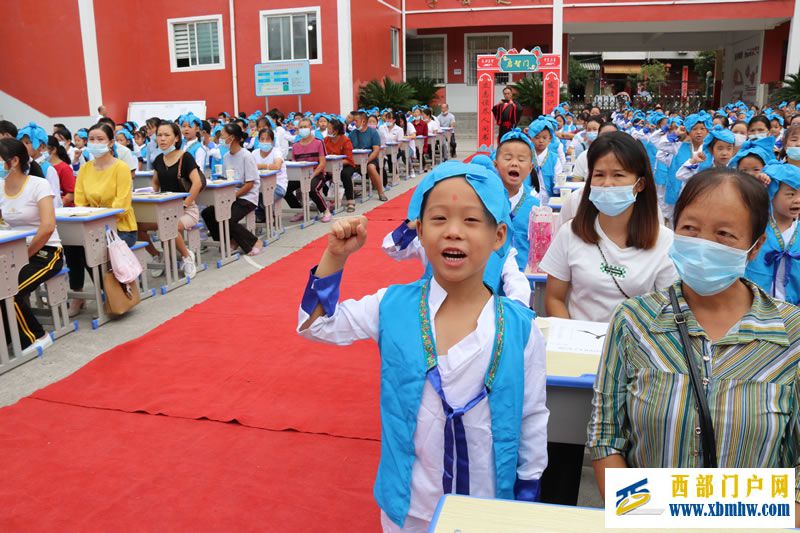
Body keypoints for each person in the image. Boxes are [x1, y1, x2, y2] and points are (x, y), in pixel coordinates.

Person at [298, 161, 548, 531]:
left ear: (498, 236)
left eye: (471, 221)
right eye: (438, 219)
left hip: (490, 506)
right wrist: (335, 256)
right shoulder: (391, 307)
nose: (453, 233)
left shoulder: (519, 328)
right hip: (410, 508)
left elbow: (531, 417)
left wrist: (527, 494)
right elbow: (317, 325)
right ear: (418, 229)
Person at [587, 168, 800, 528]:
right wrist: (645, 516)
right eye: (690, 229)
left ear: (755, 246)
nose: (703, 243)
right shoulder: (634, 321)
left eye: (724, 235)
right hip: (650, 522)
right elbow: (605, 436)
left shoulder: (791, 334)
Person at [540, 132, 676, 323]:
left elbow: (668, 311)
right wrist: (571, 337)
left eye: (618, 175)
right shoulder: (570, 233)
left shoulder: (665, 241)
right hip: (579, 346)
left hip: (636, 348)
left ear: (640, 184)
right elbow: (554, 298)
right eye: (599, 175)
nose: (607, 183)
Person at [65, 123, 137, 316]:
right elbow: (79, 201)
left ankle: (109, 295)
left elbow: (121, 206)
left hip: (119, 229)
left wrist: (96, 215)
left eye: (100, 139)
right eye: (91, 139)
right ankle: (78, 295)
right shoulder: (86, 169)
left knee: (92, 249)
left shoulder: (121, 168)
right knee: (72, 245)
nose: (95, 143)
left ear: (110, 142)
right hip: (91, 226)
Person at [0, 138, 63, 354]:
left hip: (46, 253)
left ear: (14, 161)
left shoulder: (38, 184)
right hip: (13, 252)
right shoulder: (0, 186)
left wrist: (25, 255)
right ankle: (9, 336)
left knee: (11, 289)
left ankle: (37, 336)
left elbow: (47, 227)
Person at [145, 120, 202, 279]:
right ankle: (158, 255)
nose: (162, 139)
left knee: (168, 226)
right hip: (164, 210)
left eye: (166, 135)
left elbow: (197, 183)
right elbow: (155, 183)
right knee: (135, 227)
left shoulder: (186, 157)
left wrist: (185, 204)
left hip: (187, 210)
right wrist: (150, 194)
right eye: (159, 135)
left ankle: (186, 256)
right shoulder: (158, 160)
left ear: (176, 138)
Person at [201, 123, 263, 256]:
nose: (220, 139)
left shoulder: (246, 156)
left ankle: (254, 242)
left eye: (222, 135)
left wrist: (233, 196)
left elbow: (250, 184)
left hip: (247, 197)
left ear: (232, 137)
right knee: (208, 213)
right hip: (231, 196)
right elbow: (226, 179)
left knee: (227, 217)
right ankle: (229, 239)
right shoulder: (226, 157)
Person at [745, 162, 800, 303]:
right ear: (772, 194)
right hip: (757, 303)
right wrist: (757, 185)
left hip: (792, 307)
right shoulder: (757, 225)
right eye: (791, 194)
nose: (798, 200)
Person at [492, 129, 540, 271]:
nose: (514, 164)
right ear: (495, 164)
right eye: (507, 158)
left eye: (521, 160)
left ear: (530, 167)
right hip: (487, 280)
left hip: (522, 278)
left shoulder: (534, 205)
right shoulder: (485, 200)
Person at [285, 117, 331, 222]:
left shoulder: (319, 143)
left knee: (311, 188)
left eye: (305, 127)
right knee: (284, 190)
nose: (303, 129)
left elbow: (322, 163)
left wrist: (312, 175)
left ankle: (325, 211)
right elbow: (294, 163)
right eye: (301, 127)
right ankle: (299, 210)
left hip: (317, 174)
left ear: (311, 127)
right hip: (300, 175)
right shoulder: (295, 146)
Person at [349, 111, 387, 201]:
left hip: (370, 159)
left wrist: (367, 160)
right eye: (353, 120)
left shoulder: (373, 132)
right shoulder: (352, 133)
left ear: (363, 121)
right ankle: (350, 194)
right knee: (345, 171)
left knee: (371, 168)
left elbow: (376, 150)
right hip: (355, 160)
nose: (354, 123)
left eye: (356, 120)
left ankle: (381, 192)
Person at [252, 127, 288, 215]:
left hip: (278, 186)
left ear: (272, 141)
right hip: (259, 186)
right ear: (258, 140)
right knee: (249, 199)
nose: (264, 142)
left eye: (267, 139)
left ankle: (267, 218)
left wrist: (260, 166)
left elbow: (277, 166)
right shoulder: (254, 153)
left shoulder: (276, 152)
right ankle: (263, 220)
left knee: (260, 201)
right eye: (262, 139)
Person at [324, 118, 356, 213]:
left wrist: (335, 164)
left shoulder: (345, 140)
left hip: (346, 165)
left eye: (329, 128)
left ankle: (350, 201)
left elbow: (349, 159)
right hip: (329, 166)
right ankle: (330, 199)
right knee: (319, 177)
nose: (327, 130)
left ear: (336, 130)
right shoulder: (326, 140)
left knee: (345, 175)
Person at [528, 117, 562, 203]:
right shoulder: (527, 156)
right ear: (531, 138)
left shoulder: (554, 158)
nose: (541, 141)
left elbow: (557, 180)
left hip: (549, 196)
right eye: (537, 137)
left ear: (550, 138)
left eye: (544, 138)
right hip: (530, 196)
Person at [45, 135, 76, 206]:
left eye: (43, 148)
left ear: (54, 150)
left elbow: (72, 194)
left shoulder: (64, 168)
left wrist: (58, 205)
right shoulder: (43, 166)